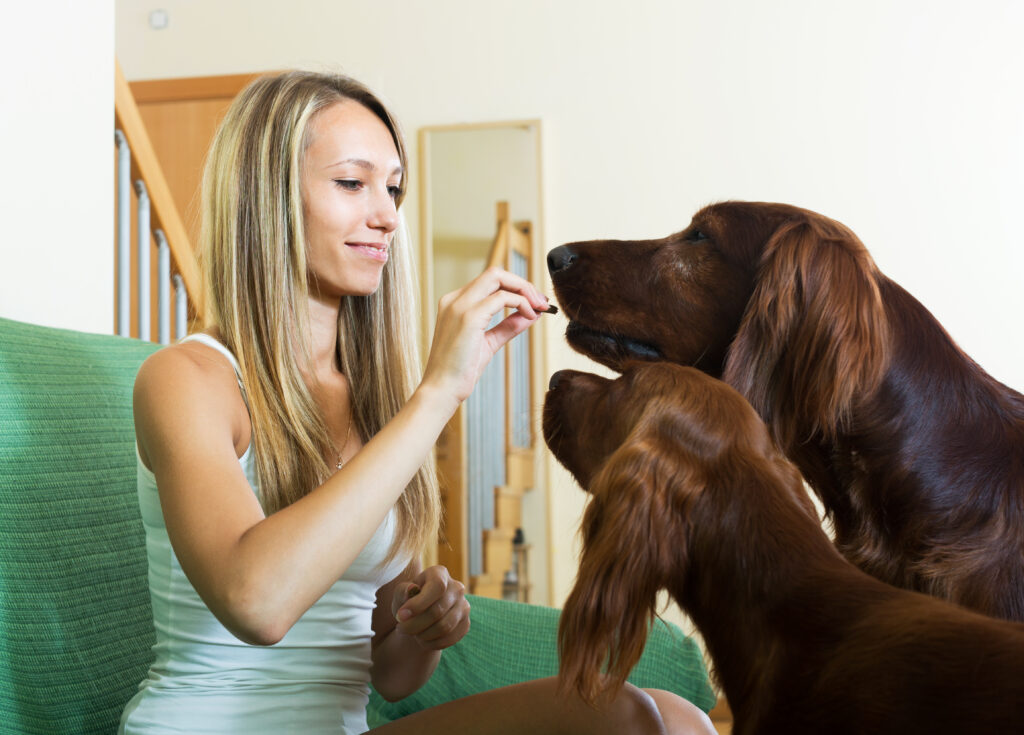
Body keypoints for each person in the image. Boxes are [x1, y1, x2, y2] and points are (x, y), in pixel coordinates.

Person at [118, 70, 715, 735]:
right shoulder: (187, 378)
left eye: (393, 188)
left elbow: (391, 674)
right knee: (629, 719)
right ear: (267, 197)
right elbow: (257, 602)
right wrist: (438, 393)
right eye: (352, 183)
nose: (388, 216)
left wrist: (426, 625)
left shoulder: (375, 403)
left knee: (681, 718)